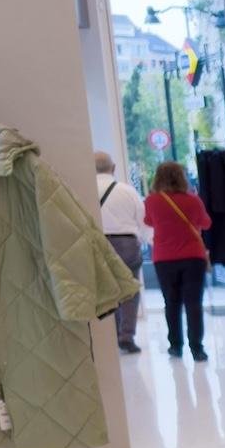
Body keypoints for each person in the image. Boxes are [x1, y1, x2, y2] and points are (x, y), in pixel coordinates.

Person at [143, 161, 211, 361]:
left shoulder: (152, 201)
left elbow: (148, 221)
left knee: (171, 302)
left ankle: (175, 345)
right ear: (182, 177)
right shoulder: (193, 200)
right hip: (193, 257)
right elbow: (206, 223)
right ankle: (197, 348)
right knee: (194, 303)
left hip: (164, 258)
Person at [94, 151, 148, 354]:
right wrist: (145, 240)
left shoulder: (87, 189)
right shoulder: (127, 191)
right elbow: (142, 220)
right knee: (129, 289)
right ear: (113, 168)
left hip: (97, 242)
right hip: (126, 243)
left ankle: (108, 335)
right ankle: (126, 335)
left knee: (104, 290)